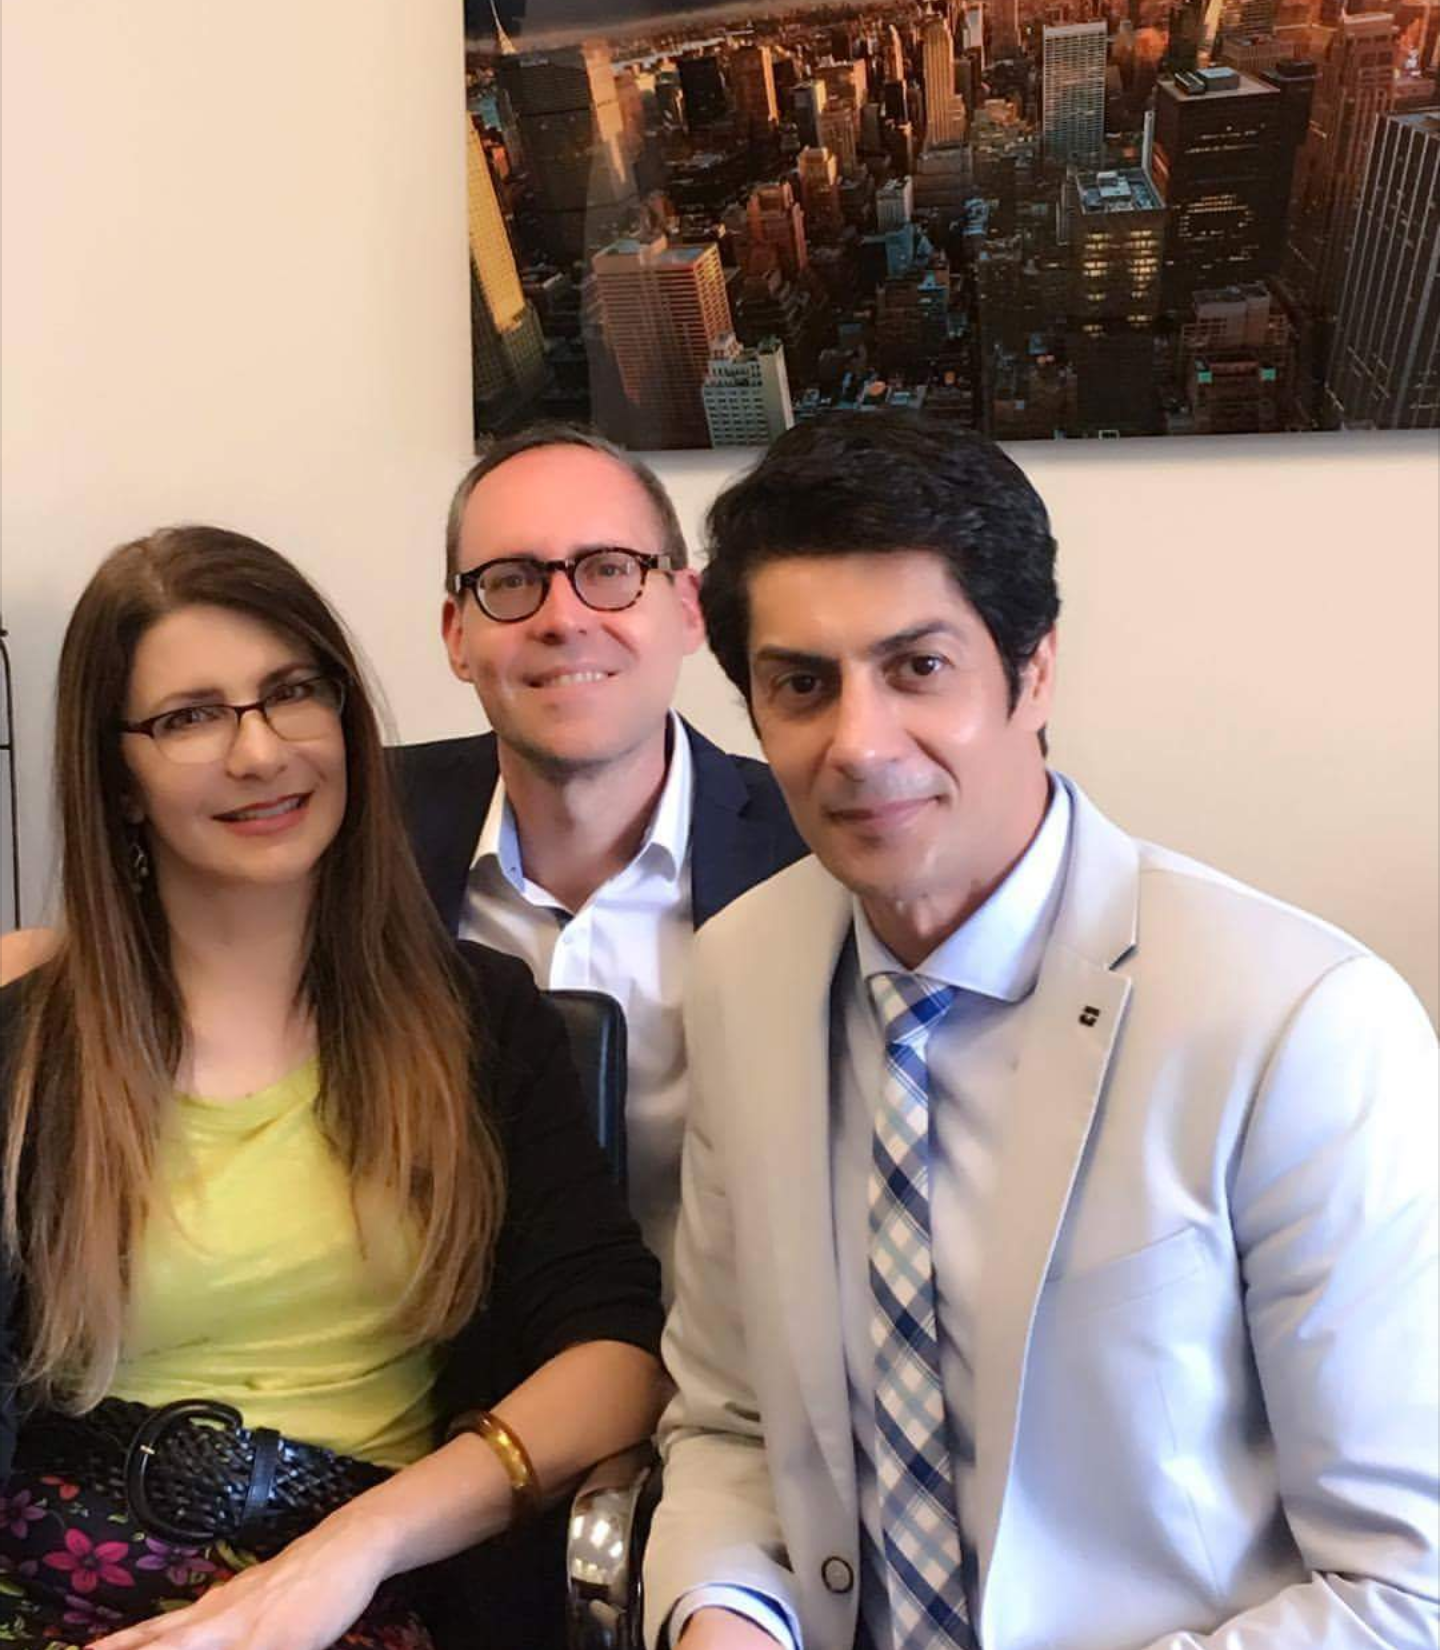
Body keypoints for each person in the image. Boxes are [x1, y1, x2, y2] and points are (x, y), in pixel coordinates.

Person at [643, 416, 1439, 1650]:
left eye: (918, 668)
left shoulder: (1298, 1022)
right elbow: (730, 1422)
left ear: (1036, 670)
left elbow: (1406, 1586)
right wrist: (724, 1612)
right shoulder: (743, 970)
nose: (857, 744)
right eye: (802, 684)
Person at [0, 525, 665, 1650]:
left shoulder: (479, 1022)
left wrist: (352, 1550)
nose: (260, 752)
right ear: (117, 777)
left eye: (293, 693)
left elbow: (613, 1358)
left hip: (361, 1591)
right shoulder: (30, 1048)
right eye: (190, 717)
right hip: (52, 1584)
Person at [395, 424, 806, 1293]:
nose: (563, 618)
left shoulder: (815, 850)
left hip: (733, 1365)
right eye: (511, 581)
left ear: (688, 607)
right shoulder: (360, 837)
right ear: (457, 634)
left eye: (610, 570)